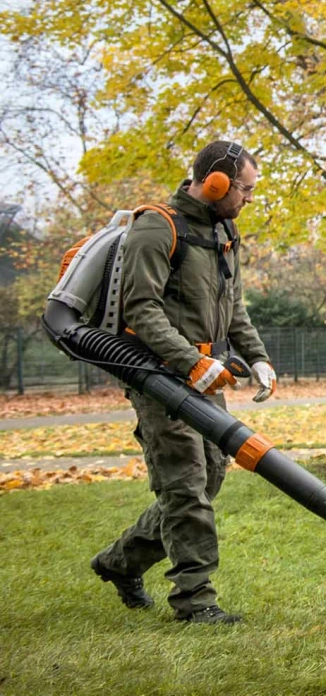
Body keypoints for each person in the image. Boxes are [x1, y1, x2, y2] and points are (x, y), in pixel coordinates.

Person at [89, 141, 278, 625]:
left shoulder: (225, 232)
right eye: (245, 189)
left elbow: (234, 308)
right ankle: (196, 602)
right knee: (186, 485)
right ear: (216, 182)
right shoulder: (158, 226)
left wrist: (256, 358)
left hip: (207, 379)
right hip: (159, 377)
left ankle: (119, 563)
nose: (249, 199)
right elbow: (141, 309)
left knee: (211, 475)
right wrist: (188, 363)